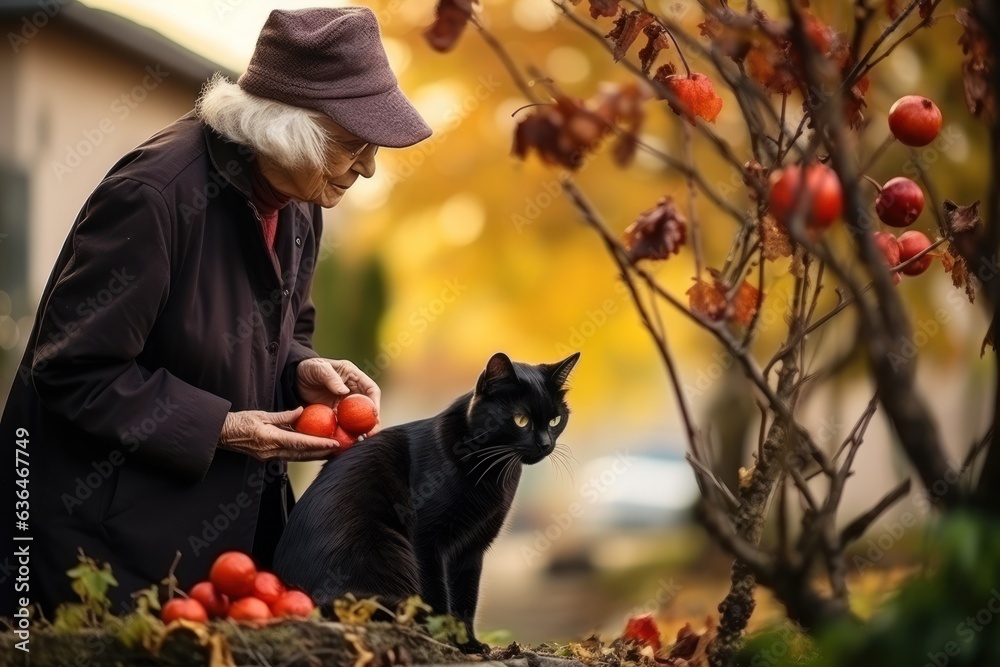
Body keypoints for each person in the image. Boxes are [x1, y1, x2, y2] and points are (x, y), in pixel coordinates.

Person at [0, 6, 431, 617]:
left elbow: (282, 330)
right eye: (352, 143)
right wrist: (224, 427)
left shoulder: (300, 196)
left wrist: (301, 368)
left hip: (218, 543)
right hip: (105, 547)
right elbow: (74, 371)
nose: (367, 166)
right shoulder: (154, 197)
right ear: (287, 130)